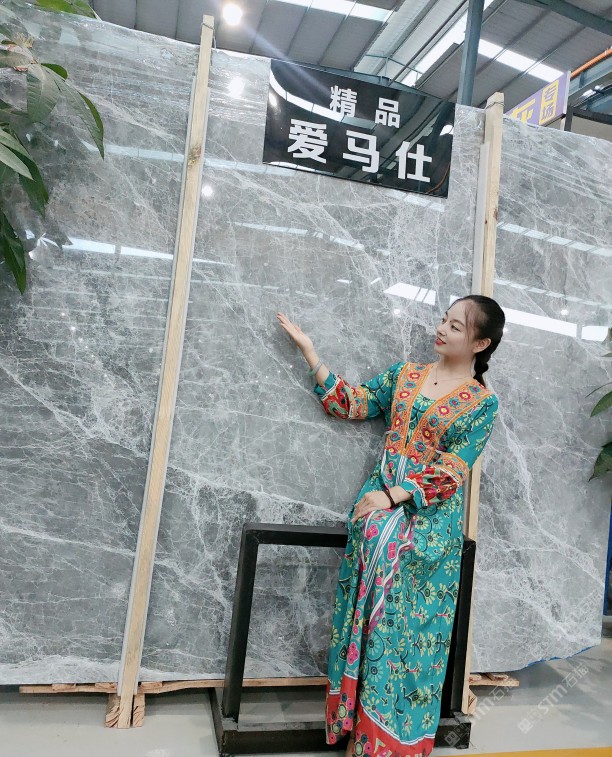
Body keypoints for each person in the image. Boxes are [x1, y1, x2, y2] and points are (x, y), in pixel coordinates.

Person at [276, 294, 505, 757]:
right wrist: (311, 354)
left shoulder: (482, 404)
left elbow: (452, 471)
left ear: (480, 343)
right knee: (365, 618)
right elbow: (355, 403)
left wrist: (394, 495)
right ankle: (356, 729)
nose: (441, 329)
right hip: (377, 515)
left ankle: (386, 741)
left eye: (456, 326)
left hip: (426, 526)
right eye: (444, 319)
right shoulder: (406, 375)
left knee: (404, 635)